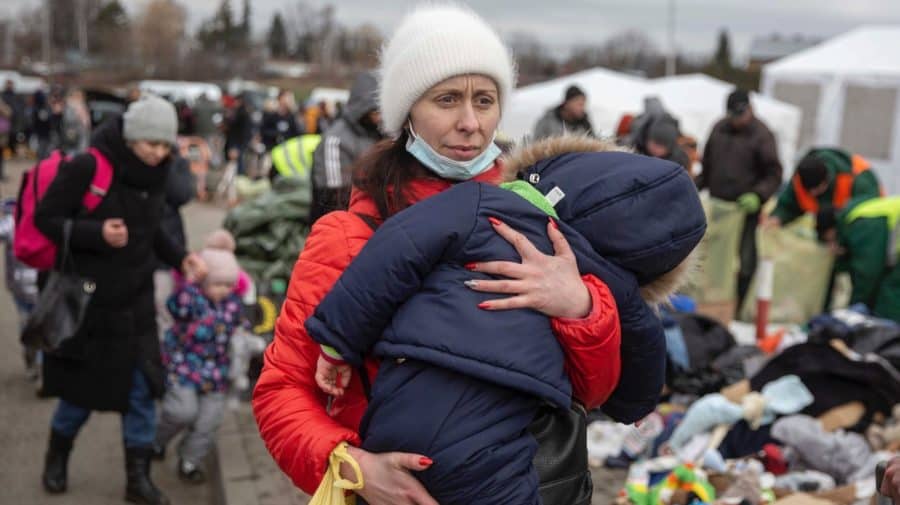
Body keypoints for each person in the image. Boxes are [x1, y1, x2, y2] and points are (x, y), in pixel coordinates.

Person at [253, 5, 675, 504]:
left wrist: (579, 306)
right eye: (447, 99)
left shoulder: (542, 221)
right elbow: (281, 391)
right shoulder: (347, 237)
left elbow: (597, 392)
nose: (470, 123)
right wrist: (353, 468)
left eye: (485, 100)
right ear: (406, 111)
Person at [307, 142, 704, 503]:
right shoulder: (616, 291)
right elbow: (637, 395)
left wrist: (337, 342)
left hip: (401, 408)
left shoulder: (479, 202)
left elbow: (393, 253)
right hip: (494, 443)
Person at [34, 95, 207, 505]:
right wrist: (96, 233)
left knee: (142, 395)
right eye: (151, 143)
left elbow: (152, 229)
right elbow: (46, 218)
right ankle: (56, 457)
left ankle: (138, 480)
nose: (158, 153)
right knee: (79, 399)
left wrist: (181, 258)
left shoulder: (158, 173)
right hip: (92, 308)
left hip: (137, 306)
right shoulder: (89, 166)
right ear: (131, 137)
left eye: (165, 145)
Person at [154, 245, 243, 484]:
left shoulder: (233, 304)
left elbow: (239, 329)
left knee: (208, 422)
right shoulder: (191, 299)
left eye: (229, 285)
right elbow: (175, 306)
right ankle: (157, 441)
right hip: (185, 367)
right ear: (204, 281)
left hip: (216, 374)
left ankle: (189, 460)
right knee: (181, 412)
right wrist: (189, 283)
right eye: (218, 283)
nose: (224, 290)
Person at [696, 89, 782, 306]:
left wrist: (758, 195)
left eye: (740, 115)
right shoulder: (719, 128)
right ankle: (712, 300)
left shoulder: (762, 135)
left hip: (744, 212)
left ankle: (737, 304)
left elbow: (774, 173)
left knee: (744, 261)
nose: (736, 120)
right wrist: (694, 186)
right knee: (714, 259)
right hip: (718, 209)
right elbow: (708, 166)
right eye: (732, 115)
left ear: (750, 110)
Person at [309, 71, 384, 221]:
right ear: (362, 109)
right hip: (343, 221)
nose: (380, 117)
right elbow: (333, 198)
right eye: (375, 111)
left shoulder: (380, 133)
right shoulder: (335, 140)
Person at [817, 196, 900, 323]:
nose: (832, 248)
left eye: (829, 241)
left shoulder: (862, 225)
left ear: (832, 230)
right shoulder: (856, 213)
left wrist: (852, 312)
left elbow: (868, 274)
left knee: (888, 300)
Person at [765, 148, 882, 228]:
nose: (813, 194)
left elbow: (868, 216)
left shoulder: (857, 179)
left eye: (817, 189)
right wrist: (777, 217)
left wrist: (841, 239)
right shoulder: (801, 179)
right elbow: (789, 205)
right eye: (809, 191)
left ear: (827, 180)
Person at [0, 197, 41, 380]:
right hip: (43, 284)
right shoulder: (48, 218)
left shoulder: (11, 222)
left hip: (20, 285)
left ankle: (34, 361)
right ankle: (39, 361)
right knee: (43, 324)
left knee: (27, 324)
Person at [224, 94, 254, 175]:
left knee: (237, 162)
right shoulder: (242, 112)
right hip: (239, 141)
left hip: (237, 142)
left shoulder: (240, 113)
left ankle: (238, 177)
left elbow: (236, 128)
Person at [59, 88, 92, 155]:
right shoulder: (70, 106)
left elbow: (86, 122)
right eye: (78, 95)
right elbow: (69, 121)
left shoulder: (82, 106)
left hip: (82, 134)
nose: (80, 97)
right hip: (73, 134)